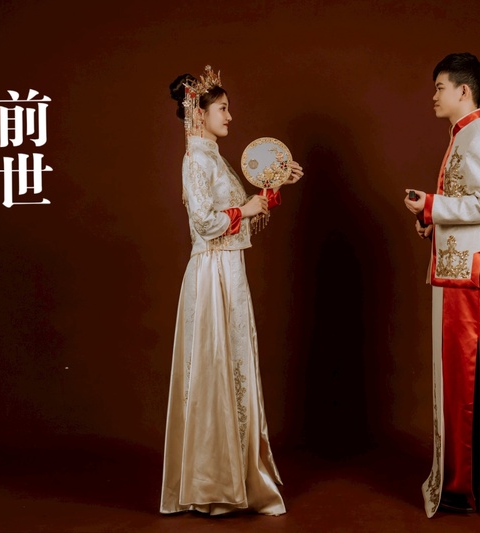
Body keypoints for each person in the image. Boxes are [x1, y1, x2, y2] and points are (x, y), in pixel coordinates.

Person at [160, 66, 303, 516]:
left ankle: (234, 479)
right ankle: (213, 487)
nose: (229, 116)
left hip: (228, 268)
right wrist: (249, 207)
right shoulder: (196, 160)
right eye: (222, 108)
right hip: (211, 272)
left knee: (233, 365)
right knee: (215, 368)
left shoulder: (214, 158)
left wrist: (273, 185)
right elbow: (206, 223)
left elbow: (242, 215)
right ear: (198, 114)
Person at [404, 53, 480, 517]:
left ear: (463, 91)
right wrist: (431, 220)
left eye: (439, 87)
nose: (433, 96)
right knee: (462, 382)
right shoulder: (466, 135)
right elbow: (471, 204)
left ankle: (470, 488)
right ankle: (466, 484)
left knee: (471, 382)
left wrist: (432, 205)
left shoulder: (478, 138)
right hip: (463, 275)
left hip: (472, 282)